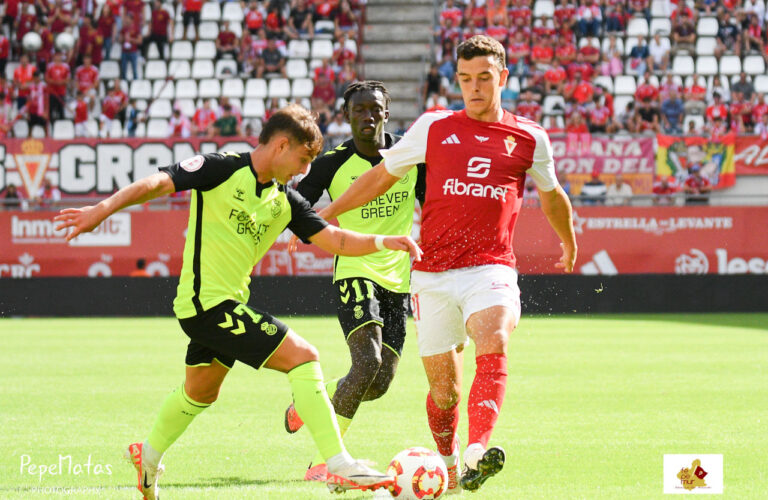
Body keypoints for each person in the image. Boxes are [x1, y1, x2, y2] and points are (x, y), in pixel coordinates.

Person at [54, 105, 423, 500]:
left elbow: (335, 239)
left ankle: (148, 457)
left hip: (222, 306)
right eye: (303, 159)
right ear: (281, 145)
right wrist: (102, 209)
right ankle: (338, 464)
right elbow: (157, 183)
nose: (303, 171)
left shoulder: (285, 200)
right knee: (303, 357)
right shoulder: (220, 168)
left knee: (200, 392)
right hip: (207, 305)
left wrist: (386, 241)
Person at [313, 35, 577, 493]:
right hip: (432, 275)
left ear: (503, 78)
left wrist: (568, 243)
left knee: (494, 338)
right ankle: (451, 467)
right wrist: (328, 213)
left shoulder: (530, 137)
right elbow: (380, 176)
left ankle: (477, 450)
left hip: (491, 267)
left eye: (485, 78)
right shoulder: (433, 127)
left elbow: (553, 197)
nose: (474, 87)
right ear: (457, 80)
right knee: (445, 392)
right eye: (466, 79)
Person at [282, 81, 425, 483]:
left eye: (374, 108)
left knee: (377, 383)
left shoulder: (410, 157)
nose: (367, 116)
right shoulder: (332, 163)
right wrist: (303, 228)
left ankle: (310, 402)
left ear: (386, 113)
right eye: (358, 109)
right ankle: (326, 464)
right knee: (367, 362)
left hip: (398, 279)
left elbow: (431, 204)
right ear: (346, 116)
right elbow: (299, 204)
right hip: (355, 268)